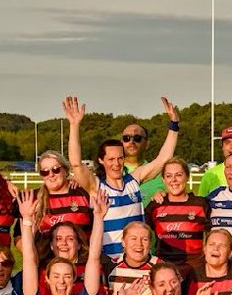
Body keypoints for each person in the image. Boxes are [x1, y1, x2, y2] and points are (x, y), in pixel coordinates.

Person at [65, 95, 179, 260]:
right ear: (101, 160)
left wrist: (174, 125)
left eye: (120, 158)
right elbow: (76, 163)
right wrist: (74, 125)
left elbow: (162, 159)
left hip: (139, 260)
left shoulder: (134, 180)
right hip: (110, 263)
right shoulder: (96, 186)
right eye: (111, 159)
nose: (116, 163)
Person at [18, 189, 105, 295]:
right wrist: (27, 220)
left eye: (67, 276)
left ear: (74, 279)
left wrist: (99, 217)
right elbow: (28, 260)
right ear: (47, 278)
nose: (61, 281)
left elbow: (94, 257)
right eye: (56, 276)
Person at [145, 157, 209, 273]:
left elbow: (213, 235)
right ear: (163, 180)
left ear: (187, 177)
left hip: (195, 270)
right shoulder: (155, 205)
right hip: (164, 270)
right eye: (169, 176)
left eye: (178, 175)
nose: (173, 180)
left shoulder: (201, 204)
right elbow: (141, 232)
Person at [32, 150, 93, 241]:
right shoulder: (32, 198)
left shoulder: (83, 193)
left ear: (65, 170)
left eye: (56, 169)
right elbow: (19, 237)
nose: (51, 175)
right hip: (46, 255)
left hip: (82, 254)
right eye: (45, 172)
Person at [119, 120, 167, 201]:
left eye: (137, 138)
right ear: (121, 143)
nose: (131, 142)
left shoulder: (160, 174)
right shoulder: (110, 173)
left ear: (147, 144)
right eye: (126, 138)